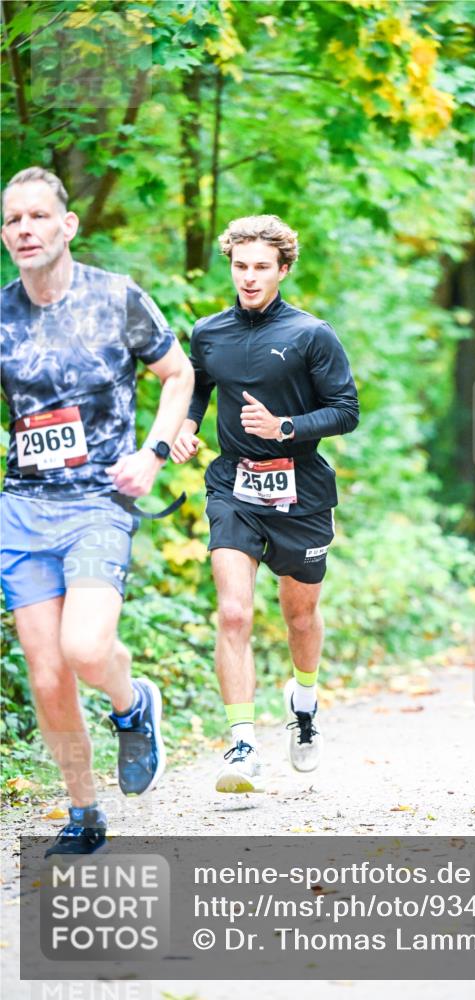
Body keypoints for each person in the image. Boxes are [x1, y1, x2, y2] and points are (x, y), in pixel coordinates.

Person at [0, 167, 194, 854]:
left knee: (84, 648)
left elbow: (178, 375)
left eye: (37, 217)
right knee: (45, 670)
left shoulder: (117, 300)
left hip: (97, 500)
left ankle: (132, 702)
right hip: (23, 505)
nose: (25, 229)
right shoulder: (0, 314)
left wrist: (154, 452)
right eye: (13, 220)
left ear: (67, 225)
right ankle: (84, 812)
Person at [172, 214, 359, 793]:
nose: (249, 278)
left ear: (282, 269)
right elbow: (198, 383)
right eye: (240, 266)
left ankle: (303, 703)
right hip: (234, 484)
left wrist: (285, 427)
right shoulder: (208, 332)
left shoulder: (311, 334)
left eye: (261, 267)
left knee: (299, 615)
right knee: (233, 612)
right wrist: (185, 423)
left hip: (300, 486)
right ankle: (242, 743)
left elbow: (346, 411)